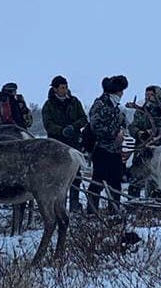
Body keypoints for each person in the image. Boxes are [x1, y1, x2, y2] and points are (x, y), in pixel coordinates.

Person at [42, 75, 89, 211]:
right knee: (57, 176)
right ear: (55, 89)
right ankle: (57, 206)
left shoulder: (74, 102)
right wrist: (61, 130)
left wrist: (73, 127)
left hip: (74, 143)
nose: (65, 90)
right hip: (56, 145)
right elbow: (48, 124)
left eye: (66, 87)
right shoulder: (49, 105)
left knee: (76, 175)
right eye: (62, 87)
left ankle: (74, 205)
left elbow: (83, 119)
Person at [87, 75, 128, 214]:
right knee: (97, 182)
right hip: (102, 149)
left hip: (115, 151)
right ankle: (92, 212)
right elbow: (95, 126)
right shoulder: (100, 104)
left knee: (115, 183)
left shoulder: (116, 107)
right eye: (121, 90)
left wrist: (121, 131)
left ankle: (114, 212)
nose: (122, 93)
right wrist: (113, 135)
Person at [127, 85, 161, 199]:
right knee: (136, 178)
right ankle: (133, 203)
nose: (148, 97)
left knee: (160, 179)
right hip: (143, 150)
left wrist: (155, 132)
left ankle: (159, 202)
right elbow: (132, 126)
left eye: (151, 95)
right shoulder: (141, 111)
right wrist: (139, 133)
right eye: (146, 95)